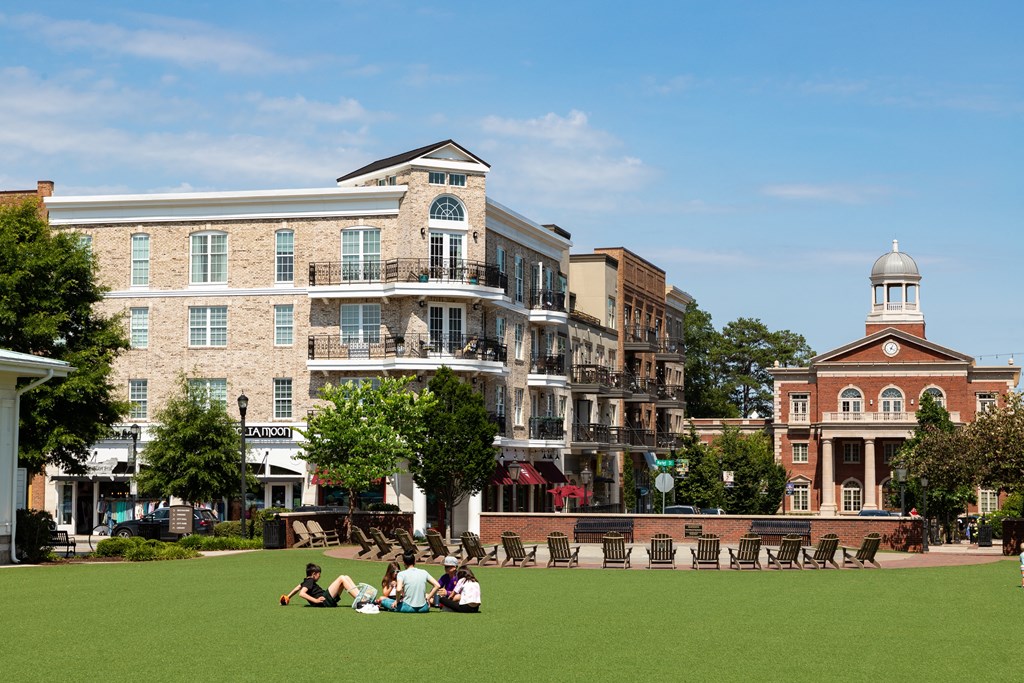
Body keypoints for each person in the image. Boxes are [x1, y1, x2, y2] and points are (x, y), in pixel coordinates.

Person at [289, 562, 363, 608]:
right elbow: (301, 593)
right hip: (324, 601)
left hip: (326, 600)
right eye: (319, 575)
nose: (320, 576)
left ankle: (362, 598)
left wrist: (287, 597)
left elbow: (296, 588)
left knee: (346, 577)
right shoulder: (310, 581)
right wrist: (315, 600)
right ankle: (362, 601)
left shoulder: (305, 582)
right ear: (314, 574)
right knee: (341, 578)